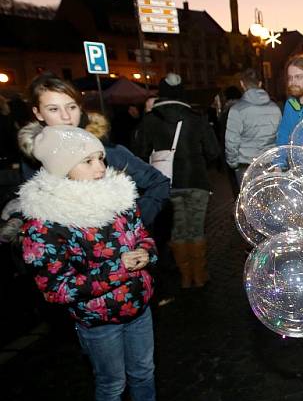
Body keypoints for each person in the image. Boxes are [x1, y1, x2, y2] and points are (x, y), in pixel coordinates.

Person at [18, 124, 189, 401]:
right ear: (62, 168)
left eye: (100, 158)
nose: (100, 167)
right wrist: (118, 269)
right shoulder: (45, 224)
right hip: (98, 322)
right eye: (88, 161)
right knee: (112, 383)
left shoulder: (117, 198)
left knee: (144, 371)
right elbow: (56, 287)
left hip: (138, 306)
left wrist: (144, 253)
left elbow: (143, 236)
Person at [20, 73, 169, 230]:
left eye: (71, 107)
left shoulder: (106, 150)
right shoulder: (33, 157)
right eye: (53, 109)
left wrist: (133, 224)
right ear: (38, 113)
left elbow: (158, 182)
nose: (66, 117)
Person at [133, 73, 219, 289]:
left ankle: (185, 277)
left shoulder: (150, 119)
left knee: (177, 230)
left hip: (166, 183)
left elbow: (139, 153)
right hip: (196, 181)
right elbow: (213, 151)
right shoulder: (196, 117)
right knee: (196, 229)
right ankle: (199, 275)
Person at [224, 68, 281, 185]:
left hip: (246, 165)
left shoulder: (237, 110)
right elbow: (279, 136)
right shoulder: (275, 108)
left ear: (242, 84)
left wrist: (233, 163)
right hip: (269, 163)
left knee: (249, 200)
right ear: (260, 83)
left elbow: (231, 141)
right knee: (268, 200)